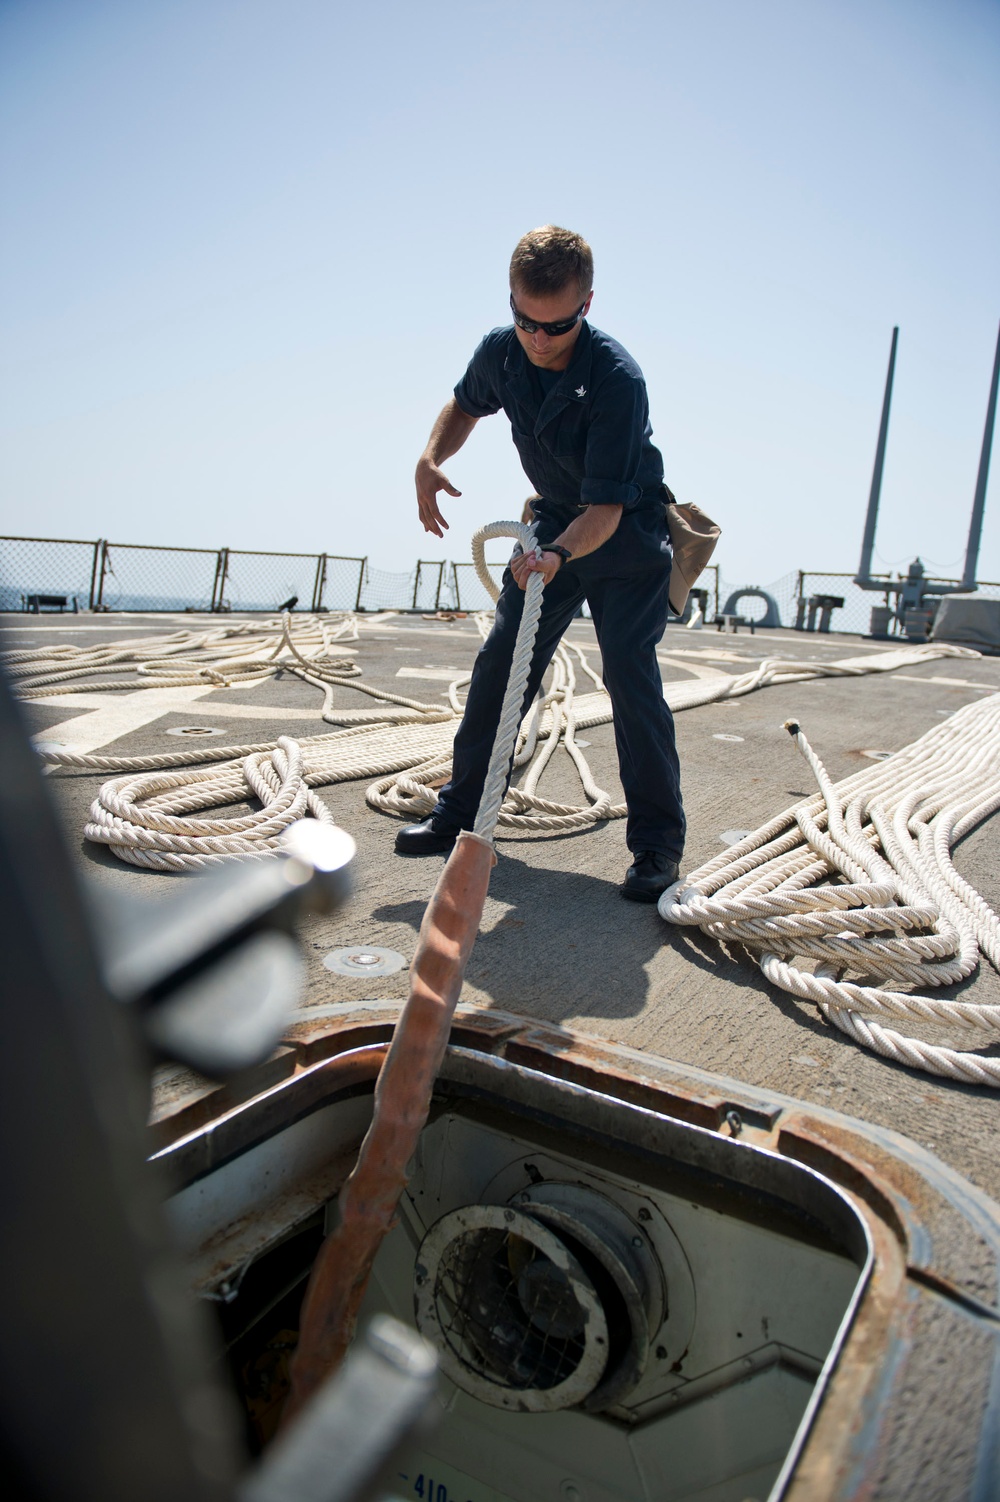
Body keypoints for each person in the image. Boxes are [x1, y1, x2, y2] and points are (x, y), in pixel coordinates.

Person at [396, 225, 684, 903]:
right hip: (556, 519)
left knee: (630, 679)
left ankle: (656, 846)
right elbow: (464, 406)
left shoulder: (617, 380)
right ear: (511, 303)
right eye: (524, 321)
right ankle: (460, 812)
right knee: (502, 661)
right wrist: (431, 458)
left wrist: (556, 554)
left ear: (587, 304)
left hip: (625, 533)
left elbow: (606, 514)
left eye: (556, 326)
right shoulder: (502, 353)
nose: (538, 339)